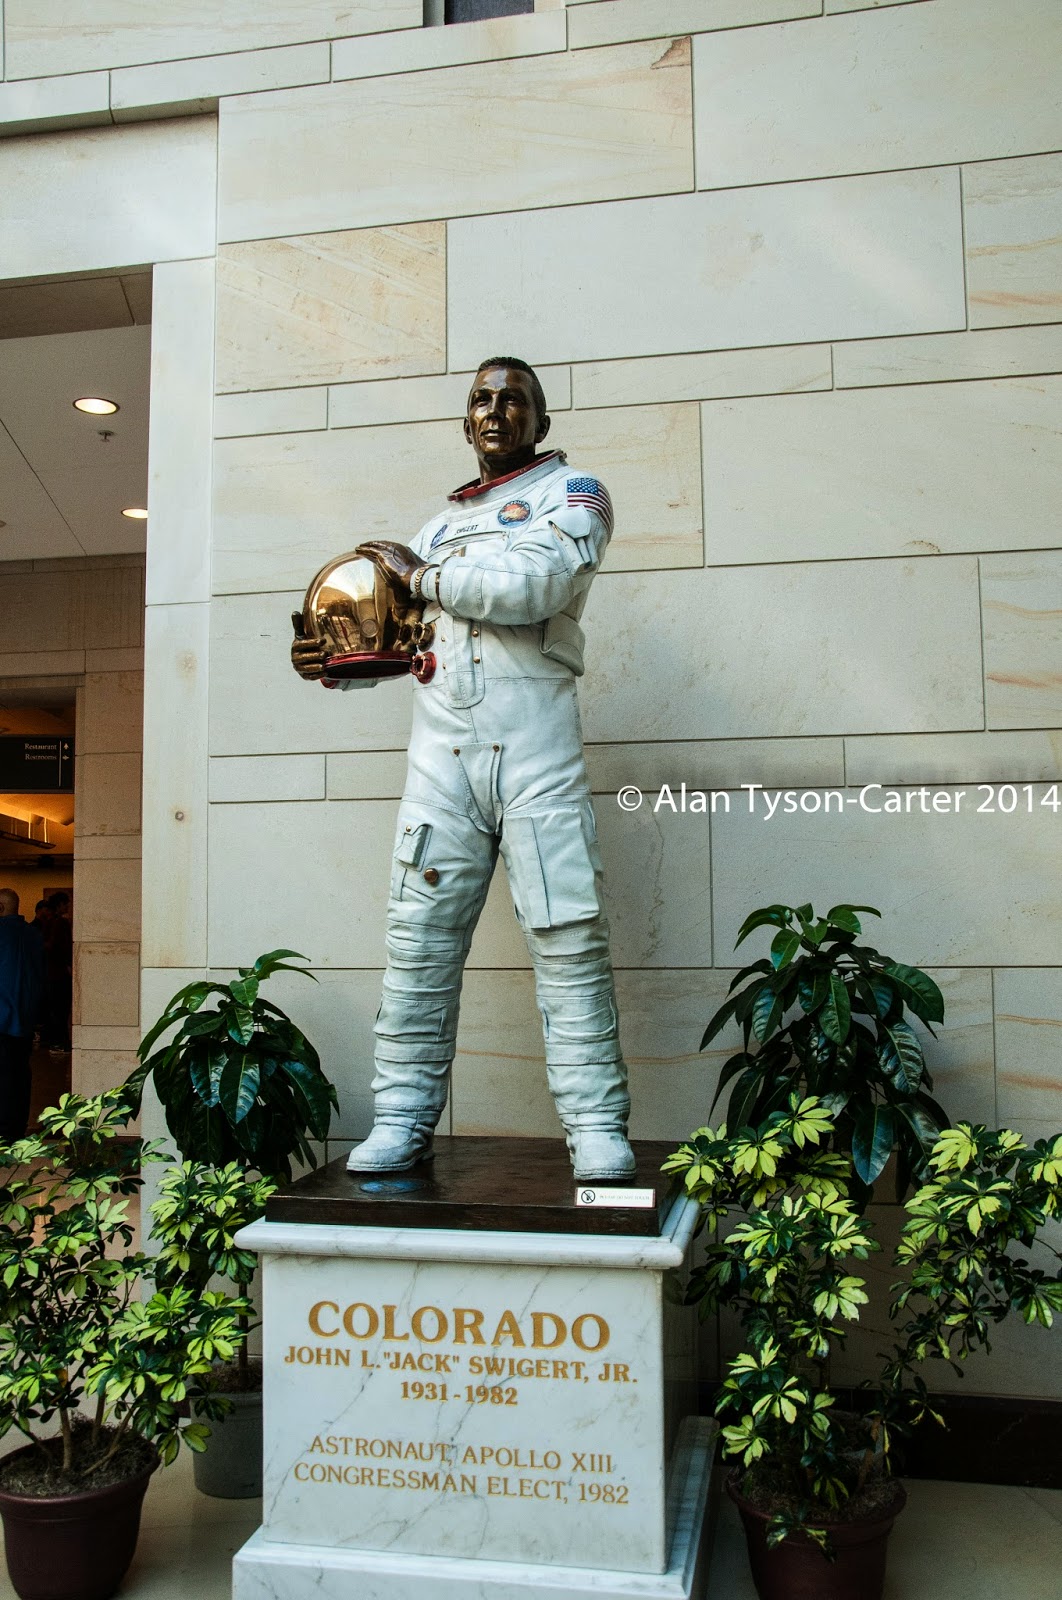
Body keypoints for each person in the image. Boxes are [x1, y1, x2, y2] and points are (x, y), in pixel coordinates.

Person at [291, 357, 635, 1182]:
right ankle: (401, 1120)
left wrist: (422, 576)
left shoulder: (574, 493)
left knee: (566, 936)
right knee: (418, 941)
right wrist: (334, 662)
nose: (495, 410)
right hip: (441, 762)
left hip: (535, 756)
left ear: (540, 422)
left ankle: (596, 1128)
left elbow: (537, 585)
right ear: (465, 420)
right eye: (481, 398)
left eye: (514, 399)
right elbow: (405, 638)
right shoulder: (436, 529)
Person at [0, 888, 45, 1142]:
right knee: (20, 1075)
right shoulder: (33, 934)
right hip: (25, 1020)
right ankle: (16, 1129)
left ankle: (3, 1131)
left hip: (2, 1018)